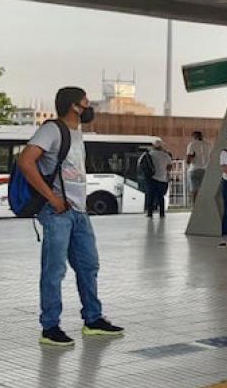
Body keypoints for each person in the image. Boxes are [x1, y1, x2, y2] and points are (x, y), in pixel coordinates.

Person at [16, 87, 124, 346]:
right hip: (56, 213)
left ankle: (93, 319)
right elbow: (26, 161)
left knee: (89, 265)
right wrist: (52, 198)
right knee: (54, 271)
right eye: (86, 102)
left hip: (78, 212)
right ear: (74, 106)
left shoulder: (77, 132)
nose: (90, 107)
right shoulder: (52, 130)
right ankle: (50, 327)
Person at [146, 138, 172, 218]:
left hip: (152, 178)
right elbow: (169, 167)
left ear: (154, 146)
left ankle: (150, 213)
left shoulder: (150, 154)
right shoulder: (166, 155)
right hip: (163, 179)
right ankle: (162, 213)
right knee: (161, 197)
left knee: (151, 196)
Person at [186, 130, 210, 203]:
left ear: (194, 136)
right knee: (204, 190)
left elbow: (189, 158)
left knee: (194, 190)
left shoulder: (192, 144)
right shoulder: (208, 144)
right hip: (205, 170)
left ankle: (195, 207)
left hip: (194, 169)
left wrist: (188, 162)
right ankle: (203, 206)